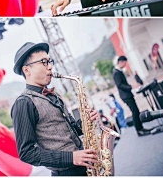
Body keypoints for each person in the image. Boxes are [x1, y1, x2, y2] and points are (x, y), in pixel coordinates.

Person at [11, 41, 98, 172]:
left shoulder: (54, 95)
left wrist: (86, 122)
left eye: (50, 61)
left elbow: (71, 130)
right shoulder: (24, 103)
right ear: (26, 70)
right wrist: (71, 157)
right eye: (44, 62)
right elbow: (26, 153)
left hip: (85, 165)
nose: (50, 67)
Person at [113, 58, 145, 138]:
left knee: (136, 111)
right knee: (135, 112)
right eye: (124, 63)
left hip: (127, 95)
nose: (125, 65)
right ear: (120, 62)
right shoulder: (116, 72)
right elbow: (119, 85)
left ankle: (141, 128)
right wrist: (131, 87)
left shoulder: (118, 71)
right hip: (126, 96)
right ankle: (139, 130)